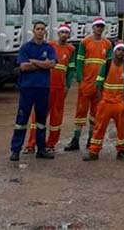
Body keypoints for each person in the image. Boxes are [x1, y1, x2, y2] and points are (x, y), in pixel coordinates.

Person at [24, 23, 75, 154]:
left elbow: (70, 70)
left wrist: (67, 86)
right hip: (46, 86)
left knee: (56, 118)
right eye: (62, 32)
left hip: (59, 88)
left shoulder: (71, 49)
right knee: (38, 116)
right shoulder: (49, 45)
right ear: (58, 33)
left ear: (69, 35)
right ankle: (31, 144)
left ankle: (51, 144)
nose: (64, 35)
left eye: (66, 33)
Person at [10, 21, 57, 161]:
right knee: (21, 120)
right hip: (27, 88)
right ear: (33, 31)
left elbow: (52, 63)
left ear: (45, 31)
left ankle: (41, 149)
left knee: (41, 121)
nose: (40, 31)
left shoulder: (48, 47)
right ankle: (15, 150)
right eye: (38, 29)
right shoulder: (25, 47)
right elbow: (23, 67)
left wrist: (34, 62)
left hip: (43, 88)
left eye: (43, 29)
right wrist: (43, 64)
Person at [65, 17, 112, 151]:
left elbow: (109, 64)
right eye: (97, 26)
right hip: (86, 83)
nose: (99, 28)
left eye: (101, 26)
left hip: (99, 85)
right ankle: (75, 140)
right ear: (93, 27)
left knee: (96, 113)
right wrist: (80, 79)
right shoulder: (85, 42)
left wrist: (105, 81)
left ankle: (91, 139)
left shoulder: (108, 44)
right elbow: (79, 62)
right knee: (81, 111)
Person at [83, 43, 124, 162]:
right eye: (118, 50)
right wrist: (101, 100)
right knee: (99, 127)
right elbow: (99, 83)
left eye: (123, 50)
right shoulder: (107, 64)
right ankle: (93, 151)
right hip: (105, 102)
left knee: (121, 129)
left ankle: (121, 152)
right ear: (115, 51)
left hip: (118, 103)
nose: (120, 52)